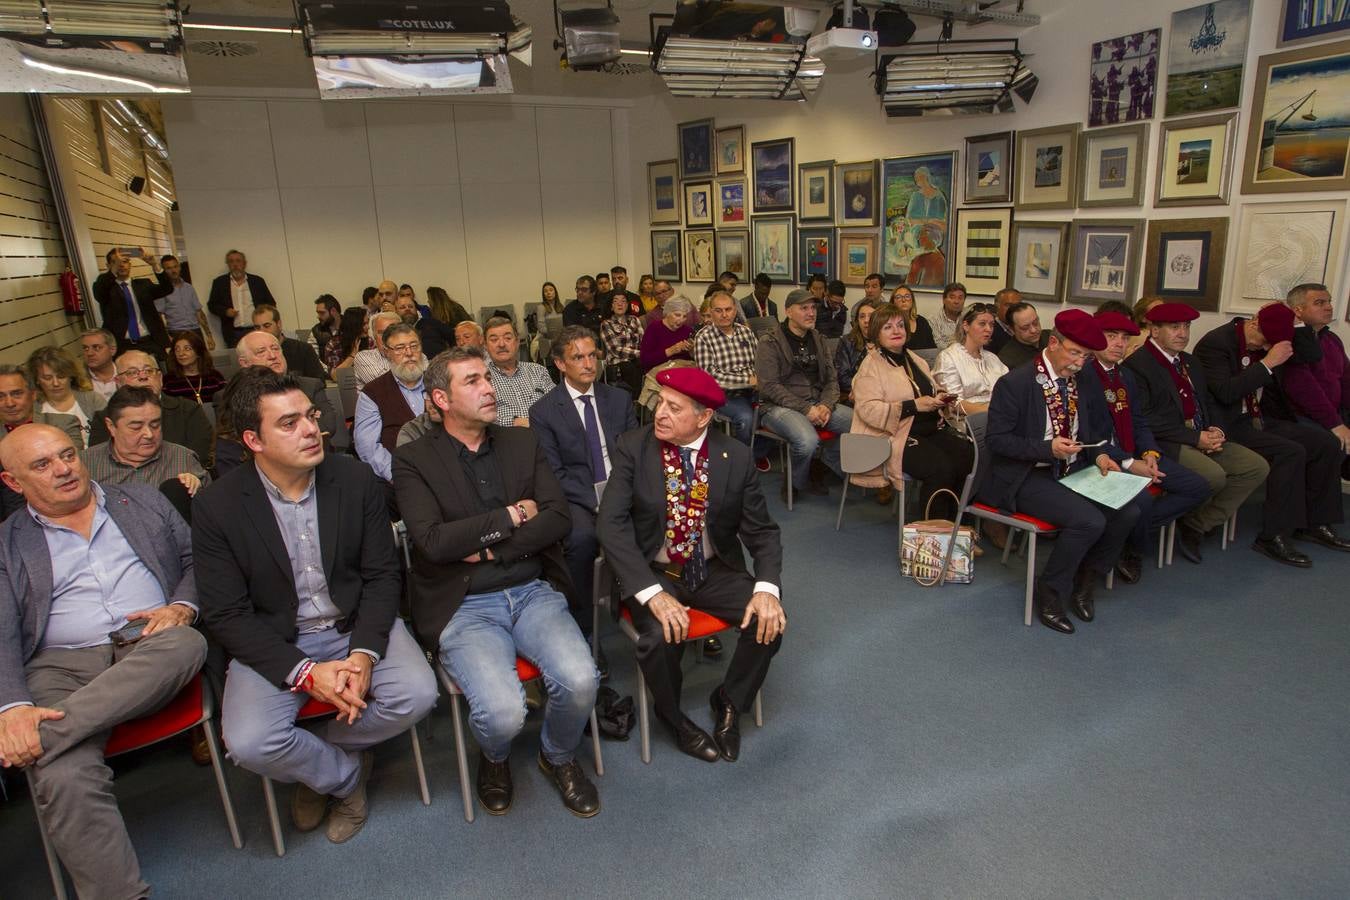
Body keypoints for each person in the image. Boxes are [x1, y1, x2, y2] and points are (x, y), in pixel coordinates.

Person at [193, 369, 437, 844]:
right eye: (288, 423)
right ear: (252, 439)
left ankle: (312, 762)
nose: (310, 429)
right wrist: (305, 673)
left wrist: (364, 653)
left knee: (417, 695)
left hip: (354, 625)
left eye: (310, 415)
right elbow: (226, 614)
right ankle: (341, 776)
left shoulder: (354, 478)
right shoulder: (218, 506)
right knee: (249, 743)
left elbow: (382, 577)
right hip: (276, 639)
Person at [0, 424, 208, 900]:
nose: (64, 469)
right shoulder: (7, 543)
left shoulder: (142, 500)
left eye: (67, 455)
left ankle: (42, 738)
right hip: (60, 666)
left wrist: (181, 607)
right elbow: (2, 632)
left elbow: (198, 560)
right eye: (42, 465)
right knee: (64, 774)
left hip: (149, 644)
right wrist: (12, 707)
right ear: (13, 483)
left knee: (188, 645)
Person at [393, 347, 601, 817]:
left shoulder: (521, 443)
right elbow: (432, 543)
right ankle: (495, 756)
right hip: (463, 602)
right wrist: (512, 513)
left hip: (531, 590)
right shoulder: (412, 460)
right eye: (473, 381)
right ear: (441, 399)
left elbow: (558, 517)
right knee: (504, 713)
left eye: (487, 377)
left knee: (582, 680)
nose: (489, 388)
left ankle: (558, 756)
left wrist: (488, 546)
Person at [596, 367, 785, 762]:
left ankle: (730, 700)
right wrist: (651, 594)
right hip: (654, 571)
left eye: (673, 407)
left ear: (703, 417)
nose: (660, 413)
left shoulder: (735, 457)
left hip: (712, 568)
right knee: (659, 639)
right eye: (659, 402)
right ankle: (671, 716)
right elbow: (610, 525)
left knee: (769, 623)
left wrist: (767, 589)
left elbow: (762, 532)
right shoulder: (634, 446)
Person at [980, 310, 1149, 634]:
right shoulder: (1016, 382)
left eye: (1086, 356)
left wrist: (1099, 456)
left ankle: (1085, 580)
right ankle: (1050, 591)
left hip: (1071, 467)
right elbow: (998, 441)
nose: (1079, 362)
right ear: (1053, 343)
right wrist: (1048, 449)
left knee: (1129, 511)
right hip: (1025, 474)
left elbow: (1093, 432)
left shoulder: (1082, 379)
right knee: (1090, 520)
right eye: (1074, 353)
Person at [1194, 302, 1348, 564]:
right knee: (1290, 452)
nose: (1265, 347)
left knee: (1325, 443)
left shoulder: (1271, 338)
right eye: (1264, 341)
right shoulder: (1217, 343)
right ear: (1253, 323)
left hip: (1258, 417)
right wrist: (1267, 364)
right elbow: (1225, 393)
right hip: (1227, 423)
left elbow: (1310, 354)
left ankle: (1315, 523)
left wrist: (1296, 322)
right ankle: (1272, 536)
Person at [1123, 303, 1270, 565]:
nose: (1183, 333)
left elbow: (1208, 402)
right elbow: (1144, 419)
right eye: (1174, 327)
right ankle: (1141, 526)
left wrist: (1215, 429)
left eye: (1186, 327)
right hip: (1166, 441)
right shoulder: (1138, 365)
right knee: (1213, 476)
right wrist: (1194, 438)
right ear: (1154, 331)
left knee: (1255, 467)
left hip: (1202, 434)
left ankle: (1196, 523)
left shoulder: (1189, 362)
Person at [529, 326, 638, 660]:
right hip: (576, 497)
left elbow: (635, 454)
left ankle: (654, 605)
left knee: (660, 521)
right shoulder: (545, 410)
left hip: (622, 488)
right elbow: (554, 473)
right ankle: (586, 629)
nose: (589, 364)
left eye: (593, 355)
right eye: (579, 357)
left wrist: (618, 496)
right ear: (561, 364)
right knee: (580, 540)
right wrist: (596, 502)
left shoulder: (617, 398)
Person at [1080, 310, 1210, 583]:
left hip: (1136, 453)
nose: (1119, 344)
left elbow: (1139, 421)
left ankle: (1125, 536)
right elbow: (1087, 434)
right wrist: (1129, 463)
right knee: (1141, 500)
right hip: (1102, 458)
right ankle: (1133, 549)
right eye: (1111, 336)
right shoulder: (1082, 376)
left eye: (1125, 339)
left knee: (1197, 486)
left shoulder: (1125, 375)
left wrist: (1150, 453)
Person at [850, 303, 974, 520]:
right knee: (941, 468)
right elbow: (868, 409)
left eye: (900, 325)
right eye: (888, 327)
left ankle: (957, 526)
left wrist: (940, 396)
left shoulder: (914, 359)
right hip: (892, 436)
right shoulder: (870, 366)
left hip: (927, 429)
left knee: (968, 456)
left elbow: (926, 388)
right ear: (876, 333)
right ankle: (934, 532)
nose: (897, 331)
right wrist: (914, 405)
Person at [757, 289, 854, 498]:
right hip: (777, 406)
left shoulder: (818, 339)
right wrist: (806, 408)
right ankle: (795, 482)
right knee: (807, 441)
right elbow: (769, 386)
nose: (811, 313)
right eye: (804, 308)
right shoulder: (770, 342)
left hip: (817, 402)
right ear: (788, 311)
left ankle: (823, 461)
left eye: (813, 308)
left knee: (860, 425)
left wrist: (826, 405)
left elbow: (831, 379)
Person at [81, 386, 209, 522]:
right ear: (111, 426)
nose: (149, 434)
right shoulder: (86, 464)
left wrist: (196, 490)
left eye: (155, 425)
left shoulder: (184, 458)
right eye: (136, 427)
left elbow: (212, 513)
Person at [86, 350, 215, 470]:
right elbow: (100, 463)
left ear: (160, 378)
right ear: (118, 382)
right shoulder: (104, 418)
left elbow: (200, 455)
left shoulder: (188, 409)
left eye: (149, 371)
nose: (143, 377)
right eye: (132, 372)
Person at [1281, 282, 1350, 476]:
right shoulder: (1291, 342)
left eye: (1329, 301)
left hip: (1333, 413)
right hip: (1301, 417)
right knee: (1333, 444)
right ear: (1298, 311)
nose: (1328, 307)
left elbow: (1346, 381)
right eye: (1319, 303)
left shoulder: (1332, 339)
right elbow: (1304, 391)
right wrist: (1336, 424)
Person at [693, 291, 763, 458]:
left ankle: (755, 453)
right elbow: (710, 376)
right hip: (724, 395)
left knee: (775, 413)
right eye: (718, 310)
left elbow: (760, 362)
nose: (724, 315)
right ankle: (741, 461)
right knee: (747, 419)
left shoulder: (746, 333)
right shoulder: (703, 337)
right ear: (710, 312)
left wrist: (760, 379)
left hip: (755, 391)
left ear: (735, 310)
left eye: (728, 309)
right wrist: (747, 379)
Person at [354, 323, 426, 482]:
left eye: (414, 346)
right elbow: (368, 447)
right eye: (400, 348)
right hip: (399, 476)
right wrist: (398, 475)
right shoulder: (373, 393)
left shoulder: (437, 382)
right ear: (387, 353)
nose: (409, 353)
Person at [236, 331, 338, 438]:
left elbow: (327, 426)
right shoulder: (236, 395)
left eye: (275, 349)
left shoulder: (310, 386)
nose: (272, 356)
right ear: (244, 363)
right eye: (261, 352)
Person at [934, 303, 1010, 415]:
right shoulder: (948, 357)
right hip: (966, 421)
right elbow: (953, 403)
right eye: (982, 324)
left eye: (991, 325)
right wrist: (992, 411)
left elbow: (1009, 390)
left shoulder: (993, 358)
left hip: (999, 416)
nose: (988, 329)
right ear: (966, 326)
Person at [27, 345, 106, 447]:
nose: (55, 383)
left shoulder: (93, 399)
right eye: (47, 378)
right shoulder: (33, 410)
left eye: (61, 376)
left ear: (71, 376)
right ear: (37, 380)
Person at [100, 253, 173, 358]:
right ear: (108, 266)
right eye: (116, 262)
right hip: (121, 345)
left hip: (149, 342)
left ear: (130, 264)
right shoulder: (106, 290)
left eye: (124, 261)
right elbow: (100, 290)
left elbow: (167, 289)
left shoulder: (143, 285)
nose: (121, 265)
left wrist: (154, 265)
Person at [485, 317, 553, 426]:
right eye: (494, 340)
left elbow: (558, 405)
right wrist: (516, 422)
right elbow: (478, 418)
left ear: (517, 342)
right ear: (485, 346)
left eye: (507, 338)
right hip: (505, 439)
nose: (501, 344)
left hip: (544, 436)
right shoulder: (481, 379)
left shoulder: (538, 371)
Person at [207, 249, 275, 348]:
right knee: (237, 361)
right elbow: (212, 305)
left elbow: (271, 303)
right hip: (233, 333)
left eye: (238, 261)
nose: (235, 264)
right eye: (231, 261)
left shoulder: (257, 281)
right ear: (228, 264)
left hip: (257, 329)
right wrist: (225, 311)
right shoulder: (219, 283)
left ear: (244, 264)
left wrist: (262, 315)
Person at [251, 305, 327, 382]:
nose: (262, 331)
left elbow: (318, 382)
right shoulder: (252, 355)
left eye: (267, 326)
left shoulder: (303, 349)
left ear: (279, 324)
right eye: (257, 327)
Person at [157, 254, 211, 345]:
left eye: (175, 266)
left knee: (201, 358)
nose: (173, 271)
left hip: (195, 331)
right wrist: (167, 338)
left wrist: (209, 335)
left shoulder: (189, 287)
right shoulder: (162, 291)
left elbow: (199, 312)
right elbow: (157, 317)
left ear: (179, 267)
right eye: (169, 268)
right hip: (176, 332)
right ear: (164, 271)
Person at [163, 330, 227, 405]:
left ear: (198, 352)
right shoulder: (169, 381)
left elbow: (226, 402)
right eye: (177, 349)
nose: (181, 353)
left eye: (187, 349)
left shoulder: (215, 376)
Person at [600, 290, 644, 395]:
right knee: (628, 367)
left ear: (628, 305)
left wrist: (644, 353)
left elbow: (644, 341)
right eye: (616, 301)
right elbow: (616, 349)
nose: (620, 304)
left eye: (623, 301)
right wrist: (639, 353)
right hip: (618, 364)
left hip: (636, 361)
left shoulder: (635, 320)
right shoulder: (606, 324)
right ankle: (637, 402)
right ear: (611, 306)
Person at [834, 300, 877, 404]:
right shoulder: (846, 342)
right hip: (854, 395)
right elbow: (842, 378)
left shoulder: (886, 342)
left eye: (871, 316)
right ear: (857, 321)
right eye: (862, 316)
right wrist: (866, 390)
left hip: (881, 395)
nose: (866, 320)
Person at [395, 289, 456, 359]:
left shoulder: (432, 323)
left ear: (416, 310)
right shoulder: (394, 331)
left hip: (438, 364)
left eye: (411, 306)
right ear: (396, 311)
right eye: (402, 307)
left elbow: (454, 336)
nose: (407, 309)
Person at [639, 295, 694, 371]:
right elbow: (645, 360)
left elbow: (692, 359)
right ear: (667, 313)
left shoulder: (688, 331)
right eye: (677, 315)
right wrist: (671, 351)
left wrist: (692, 351)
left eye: (684, 316)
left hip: (682, 371)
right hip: (658, 372)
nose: (681, 320)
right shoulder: (654, 328)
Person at [996, 301, 1050, 370]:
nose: (1033, 330)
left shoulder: (1052, 338)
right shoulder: (1006, 359)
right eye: (1025, 328)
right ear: (1012, 329)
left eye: (1035, 323)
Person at [354, 311, 400, 389]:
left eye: (392, 332)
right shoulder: (363, 357)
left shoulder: (419, 355)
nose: (387, 337)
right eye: (382, 333)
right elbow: (387, 387)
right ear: (374, 337)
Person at [325, 307, 371, 375]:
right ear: (353, 325)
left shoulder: (370, 342)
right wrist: (352, 355)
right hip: (345, 384)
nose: (368, 327)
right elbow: (335, 376)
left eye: (368, 323)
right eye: (364, 324)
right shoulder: (333, 345)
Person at [891, 284, 935, 350]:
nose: (903, 300)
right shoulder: (890, 323)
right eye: (898, 297)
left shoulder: (922, 321)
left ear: (912, 301)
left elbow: (932, 348)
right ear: (893, 302)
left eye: (907, 296)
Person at [79, 328, 120, 400]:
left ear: (112, 350)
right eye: (85, 348)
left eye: (96, 347)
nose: (89, 353)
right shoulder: (78, 380)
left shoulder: (126, 373)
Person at [929, 282, 966, 350]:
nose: (956, 301)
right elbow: (938, 345)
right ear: (944, 300)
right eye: (952, 297)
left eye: (960, 298)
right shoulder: (934, 321)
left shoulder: (969, 318)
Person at [987, 288, 1022, 355]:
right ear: (997, 306)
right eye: (1009, 305)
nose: (1014, 309)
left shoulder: (1024, 329)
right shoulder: (990, 332)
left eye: (1018, 306)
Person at [309, 294, 341, 364]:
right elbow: (313, 359)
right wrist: (329, 371)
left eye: (322, 313)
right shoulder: (316, 331)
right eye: (318, 313)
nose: (318, 316)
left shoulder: (350, 325)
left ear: (333, 311)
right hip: (327, 372)